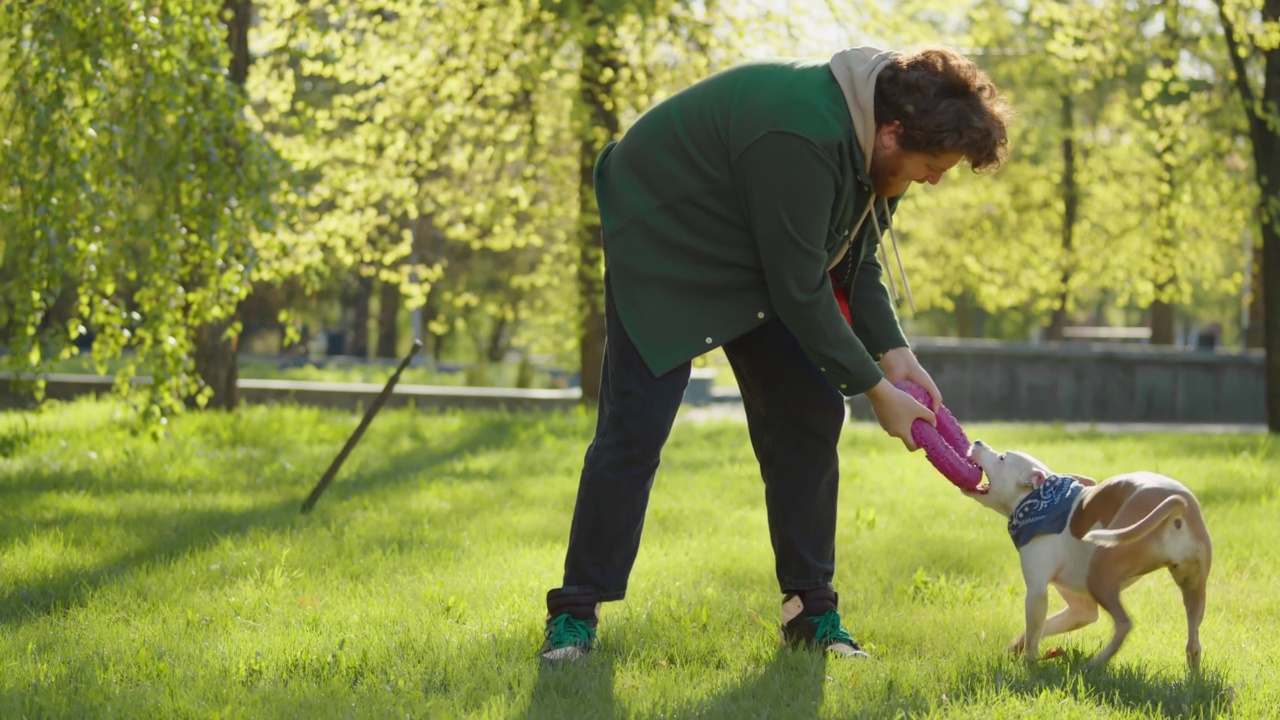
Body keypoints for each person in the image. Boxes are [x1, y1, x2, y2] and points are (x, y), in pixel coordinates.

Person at [540, 46, 1012, 661]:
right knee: (636, 426)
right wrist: (875, 391)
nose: (932, 178)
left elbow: (855, 255)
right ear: (895, 133)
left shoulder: (882, 152)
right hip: (666, 233)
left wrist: (895, 353)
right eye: (932, 165)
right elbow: (801, 289)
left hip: (751, 240)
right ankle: (576, 613)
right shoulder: (804, 136)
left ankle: (809, 611)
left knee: (809, 410)